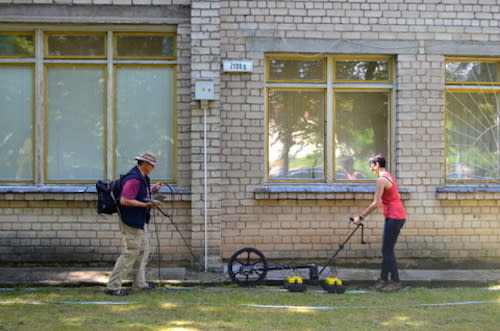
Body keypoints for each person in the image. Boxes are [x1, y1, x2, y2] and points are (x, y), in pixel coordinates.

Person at [105, 152, 163, 296]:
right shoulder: (134, 179)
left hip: (139, 220)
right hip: (131, 221)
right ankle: (113, 286)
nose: (153, 168)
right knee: (130, 253)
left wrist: (151, 191)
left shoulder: (142, 178)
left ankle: (140, 283)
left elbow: (136, 195)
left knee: (144, 251)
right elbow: (125, 200)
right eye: (152, 165)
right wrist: (145, 205)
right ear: (144, 164)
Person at [353, 154, 406, 292]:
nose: (370, 168)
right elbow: (396, 196)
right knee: (387, 250)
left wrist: (360, 217)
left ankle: (396, 282)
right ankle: (383, 279)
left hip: (394, 216)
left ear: (376, 164)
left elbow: (376, 203)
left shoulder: (381, 180)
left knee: (387, 251)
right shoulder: (390, 176)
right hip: (397, 215)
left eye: (371, 165)